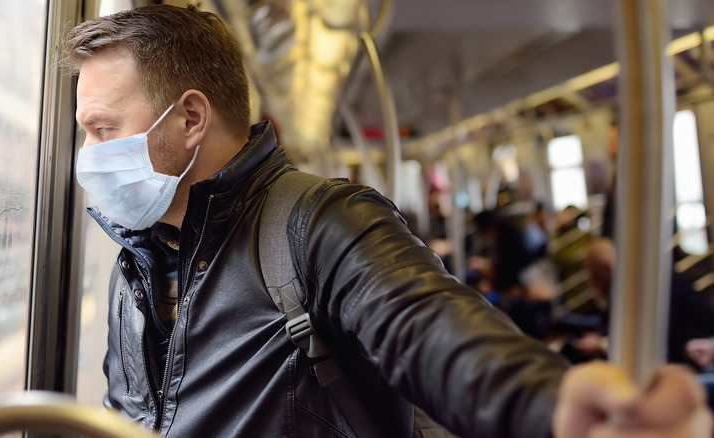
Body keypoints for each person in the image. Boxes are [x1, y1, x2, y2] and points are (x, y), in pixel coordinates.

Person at [62, 5, 712, 438]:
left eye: (102, 131)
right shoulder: (137, 267)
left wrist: (557, 408)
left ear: (190, 119)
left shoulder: (319, 226)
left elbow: (432, 333)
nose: (89, 157)